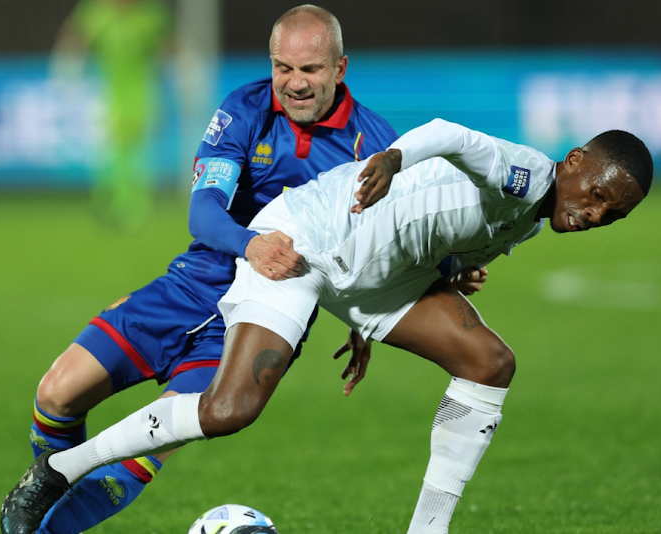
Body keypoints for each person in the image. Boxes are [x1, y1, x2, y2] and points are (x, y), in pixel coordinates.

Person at [1, 117, 652, 534]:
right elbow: (451, 135)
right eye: (598, 194)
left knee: (489, 362)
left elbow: (435, 243)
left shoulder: (529, 219)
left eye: (611, 215)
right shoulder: (527, 172)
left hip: (374, 279)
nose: (596, 214)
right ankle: (61, 469)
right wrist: (395, 157)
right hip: (304, 239)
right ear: (573, 161)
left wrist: (396, 307)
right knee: (229, 409)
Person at [28, 5, 400, 534]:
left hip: (261, 321)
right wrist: (251, 246)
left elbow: (383, 244)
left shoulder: (373, 146)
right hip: (190, 286)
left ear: (340, 69)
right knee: (56, 393)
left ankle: (40, 529)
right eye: (283, 68)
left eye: (310, 70)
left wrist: (372, 315)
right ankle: (41, 488)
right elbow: (203, 212)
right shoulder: (245, 108)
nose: (293, 84)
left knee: (141, 451)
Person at [51, 0, 174, 232]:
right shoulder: (95, 12)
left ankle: (132, 205)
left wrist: (182, 70)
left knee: (135, 149)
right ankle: (111, 201)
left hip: (143, 92)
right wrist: (67, 67)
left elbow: (167, 46)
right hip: (107, 91)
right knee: (113, 148)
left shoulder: (149, 15)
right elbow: (75, 38)